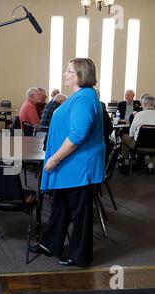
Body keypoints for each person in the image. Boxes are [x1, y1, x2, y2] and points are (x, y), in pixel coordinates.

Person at [33, 58, 105, 268]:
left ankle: (80, 256)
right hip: (71, 166)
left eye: (69, 71)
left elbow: (78, 134)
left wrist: (55, 159)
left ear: (80, 75)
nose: (65, 74)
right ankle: (50, 244)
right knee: (61, 206)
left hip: (79, 167)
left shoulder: (84, 98)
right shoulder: (80, 96)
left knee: (80, 214)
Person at [119, 95, 155, 174]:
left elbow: (131, 133)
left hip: (138, 146)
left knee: (124, 136)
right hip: (154, 147)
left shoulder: (139, 114)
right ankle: (151, 164)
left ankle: (126, 162)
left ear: (144, 104)